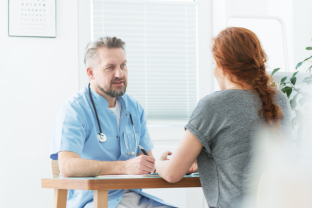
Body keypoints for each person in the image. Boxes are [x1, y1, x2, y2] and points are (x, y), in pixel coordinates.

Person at [155, 27, 292, 208]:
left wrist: (158, 162)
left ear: (223, 66)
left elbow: (172, 174)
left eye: (214, 63)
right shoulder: (279, 100)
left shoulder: (212, 105)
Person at [50, 37, 175, 208]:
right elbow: (67, 166)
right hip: (94, 200)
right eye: (110, 67)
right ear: (91, 73)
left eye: (123, 65)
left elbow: (143, 158)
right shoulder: (75, 109)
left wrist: (159, 163)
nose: (120, 74)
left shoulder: (134, 108)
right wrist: (123, 167)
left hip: (135, 198)